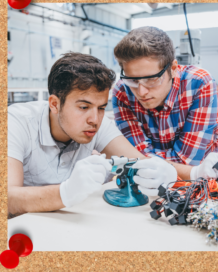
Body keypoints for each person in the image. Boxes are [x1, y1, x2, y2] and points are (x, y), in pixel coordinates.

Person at [8, 52, 178, 217]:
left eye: (102, 107)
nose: (95, 120)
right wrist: (66, 192)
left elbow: (139, 163)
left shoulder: (98, 124)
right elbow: (7, 199)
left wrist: (164, 172)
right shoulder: (15, 123)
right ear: (54, 104)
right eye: (83, 107)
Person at [112, 26, 218, 182]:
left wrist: (141, 159)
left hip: (198, 184)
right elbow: (137, 160)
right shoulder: (122, 92)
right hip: (146, 182)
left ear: (173, 68)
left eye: (152, 79)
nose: (141, 92)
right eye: (132, 80)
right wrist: (138, 160)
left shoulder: (199, 84)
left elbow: (187, 160)